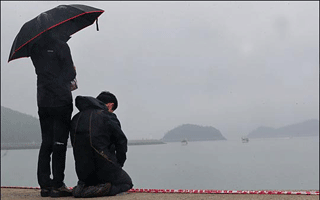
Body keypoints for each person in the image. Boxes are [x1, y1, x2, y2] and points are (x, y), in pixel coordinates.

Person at [30, 30, 76, 197]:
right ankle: (57, 185)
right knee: (60, 143)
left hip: (43, 101)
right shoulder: (61, 46)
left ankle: (45, 186)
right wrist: (73, 70)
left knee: (46, 142)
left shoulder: (35, 48)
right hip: (61, 101)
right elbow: (70, 74)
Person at [70, 91, 133, 198]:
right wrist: (118, 165)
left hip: (82, 172)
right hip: (104, 169)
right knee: (126, 183)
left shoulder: (76, 118)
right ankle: (104, 189)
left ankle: (82, 187)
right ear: (110, 105)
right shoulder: (107, 116)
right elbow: (121, 141)